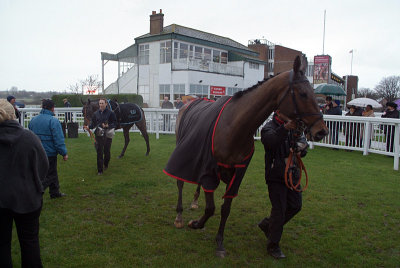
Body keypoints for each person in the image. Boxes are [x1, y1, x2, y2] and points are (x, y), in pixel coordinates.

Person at [0, 99, 49, 267]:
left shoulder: (28, 137)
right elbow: (43, 165)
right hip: (28, 198)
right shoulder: (28, 137)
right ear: (14, 114)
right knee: (30, 243)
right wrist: (36, 185)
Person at [258, 112, 308, 259]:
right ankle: (273, 245)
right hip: (276, 176)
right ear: (278, 112)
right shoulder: (269, 128)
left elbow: (302, 145)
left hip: (292, 173)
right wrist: (285, 128)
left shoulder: (295, 128)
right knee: (279, 210)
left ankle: (268, 225)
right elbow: (270, 143)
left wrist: (301, 148)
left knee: (295, 206)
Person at [29, 99, 68, 198]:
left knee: (46, 173)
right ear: (52, 108)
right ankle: (37, 191)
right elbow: (58, 139)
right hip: (49, 152)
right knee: (51, 174)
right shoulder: (53, 121)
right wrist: (64, 153)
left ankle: (55, 192)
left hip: (36, 152)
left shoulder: (33, 120)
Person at [83, 98, 117, 175]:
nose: (101, 105)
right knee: (99, 152)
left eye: (102, 103)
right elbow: (93, 123)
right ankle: (100, 170)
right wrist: (88, 127)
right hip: (98, 134)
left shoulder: (110, 113)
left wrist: (108, 125)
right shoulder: (96, 114)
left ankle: (106, 164)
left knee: (106, 152)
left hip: (108, 134)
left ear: (106, 104)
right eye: (100, 103)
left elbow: (115, 123)